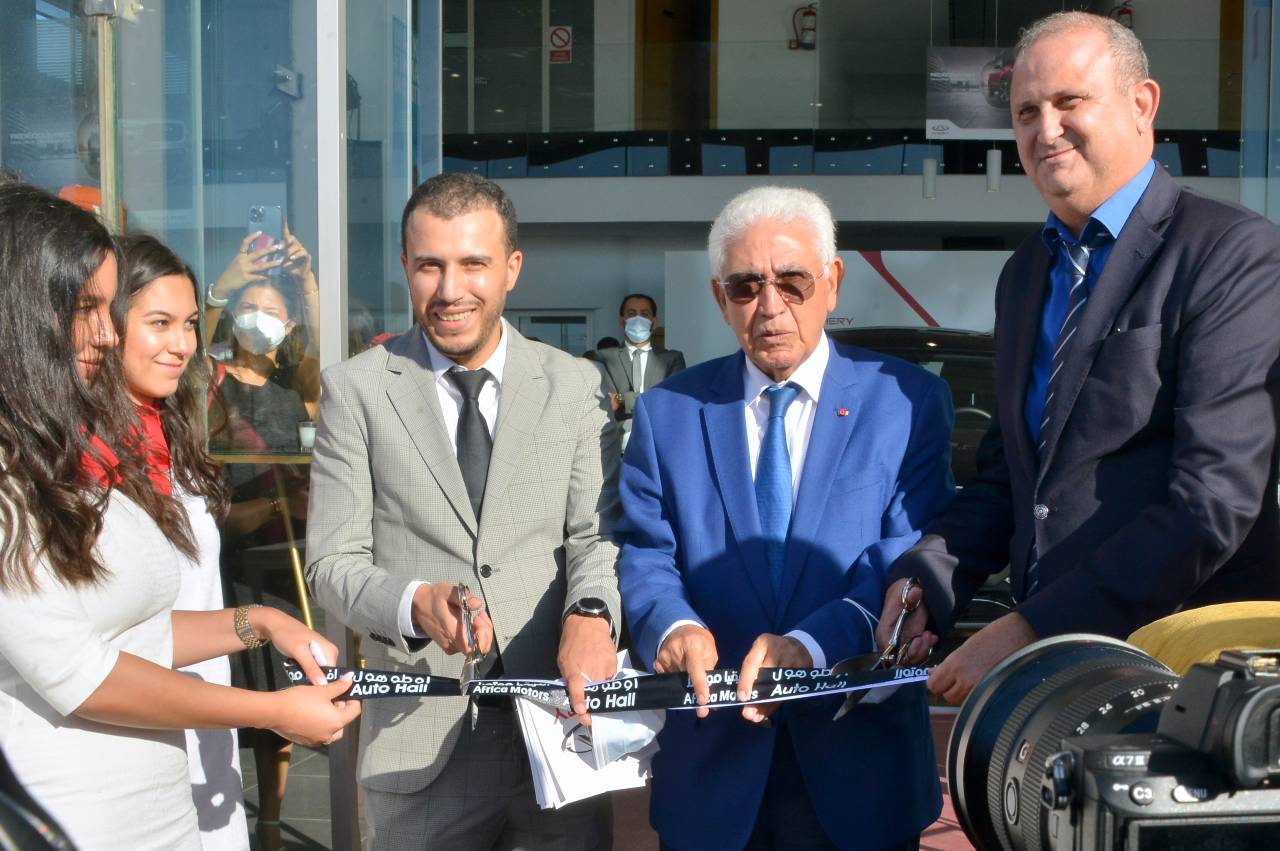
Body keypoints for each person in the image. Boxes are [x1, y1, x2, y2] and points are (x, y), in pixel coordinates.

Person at [880, 11, 1280, 706]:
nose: (1046, 129)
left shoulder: (1232, 254)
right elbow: (1010, 479)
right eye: (1026, 112)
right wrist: (930, 578)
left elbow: (1213, 501)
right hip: (1054, 689)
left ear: (1142, 105)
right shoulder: (1025, 273)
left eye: (1070, 101)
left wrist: (1035, 625)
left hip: (1186, 685)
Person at [0, 180, 359, 851]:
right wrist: (271, 710)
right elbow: (85, 672)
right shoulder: (16, 473)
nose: (107, 333)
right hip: (70, 819)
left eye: (189, 323)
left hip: (157, 813)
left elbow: (129, 632)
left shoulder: (60, 455)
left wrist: (261, 622)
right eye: (86, 308)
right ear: (21, 311)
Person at [618, 186, 954, 850]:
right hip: (711, 772)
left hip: (861, 771)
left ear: (833, 281)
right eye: (745, 287)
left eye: (792, 281)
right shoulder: (667, 412)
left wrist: (810, 645)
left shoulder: (908, 401)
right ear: (720, 298)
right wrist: (673, 626)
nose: (770, 306)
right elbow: (645, 552)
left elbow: (906, 553)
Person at [306, 171, 622, 849]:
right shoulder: (355, 391)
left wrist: (592, 613)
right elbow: (331, 563)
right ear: (405, 267)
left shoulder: (573, 384)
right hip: (419, 739)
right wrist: (413, 602)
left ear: (512, 268)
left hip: (558, 729)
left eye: (473, 263)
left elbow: (595, 536)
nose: (450, 290)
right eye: (430, 266)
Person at [117, 232, 252, 850]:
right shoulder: (77, 456)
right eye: (160, 323)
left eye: (191, 323)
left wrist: (257, 625)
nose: (182, 343)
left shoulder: (174, 431)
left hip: (207, 703)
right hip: (129, 719)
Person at [596, 293, 686, 445]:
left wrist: (622, 398)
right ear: (622, 321)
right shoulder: (604, 358)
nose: (638, 319)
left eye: (644, 314)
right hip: (616, 444)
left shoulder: (672, 359)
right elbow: (607, 401)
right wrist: (652, 396)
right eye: (632, 314)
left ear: (654, 322)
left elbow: (671, 400)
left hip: (659, 441)